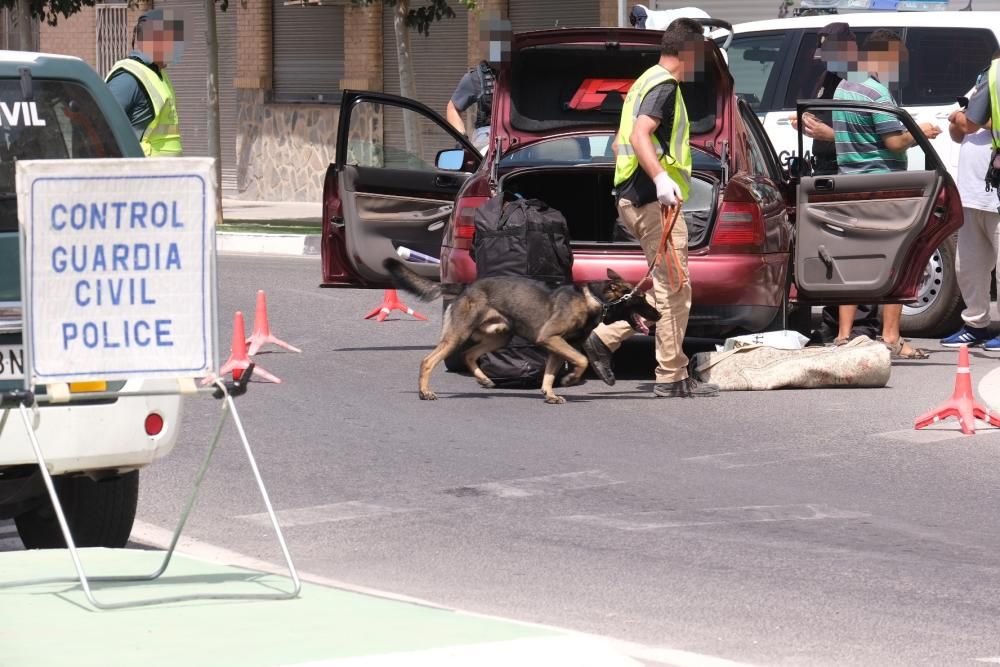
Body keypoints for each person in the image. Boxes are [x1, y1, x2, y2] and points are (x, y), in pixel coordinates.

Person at [582, 18, 719, 398]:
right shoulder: (663, 86)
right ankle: (671, 376)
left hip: (632, 197)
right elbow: (641, 135)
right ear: (688, 52)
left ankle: (603, 339)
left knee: (668, 287)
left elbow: (618, 144)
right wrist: (660, 178)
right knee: (676, 288)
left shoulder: (642, 81)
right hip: (653, 202)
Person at [797, 29, 941, 359]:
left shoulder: (845, 87)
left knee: (852, 262)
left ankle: (844, 336)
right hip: (883, 188)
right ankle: (890, 336)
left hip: (850, 185)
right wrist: (922, 134)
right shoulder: (877, 93)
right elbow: (892, 142)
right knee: (899, 261)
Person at [791, 23, 882, 344]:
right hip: (827, 173)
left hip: (853, 174)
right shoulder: (831, 78)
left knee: (859, 252)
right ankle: (832, 322)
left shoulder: (864, 81)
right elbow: (822, 114)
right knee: (831, 252)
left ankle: (861, 327)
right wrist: (805, 121)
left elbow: (871, 134)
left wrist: (829, 134)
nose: (825, 60)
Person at [940, 54, 1000, 349]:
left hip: (996, 195)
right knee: (969, 266)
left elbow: (972, 123)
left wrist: (968, 120)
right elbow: (958, 130)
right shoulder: (979, 86)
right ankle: (976, 324)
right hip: (972, 193)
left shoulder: (995, 86)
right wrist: (961, 122)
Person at [106, 10, 184, 157]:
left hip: (166, 176)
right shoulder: (129, 78)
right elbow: (104, 129)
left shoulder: (159, 75)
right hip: (143, 175)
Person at [447, 17, 511, 154]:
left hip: (518, 137)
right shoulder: (475, 77)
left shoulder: (521, 73)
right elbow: (452, 108)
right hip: (486, 141)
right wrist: (462, 138)